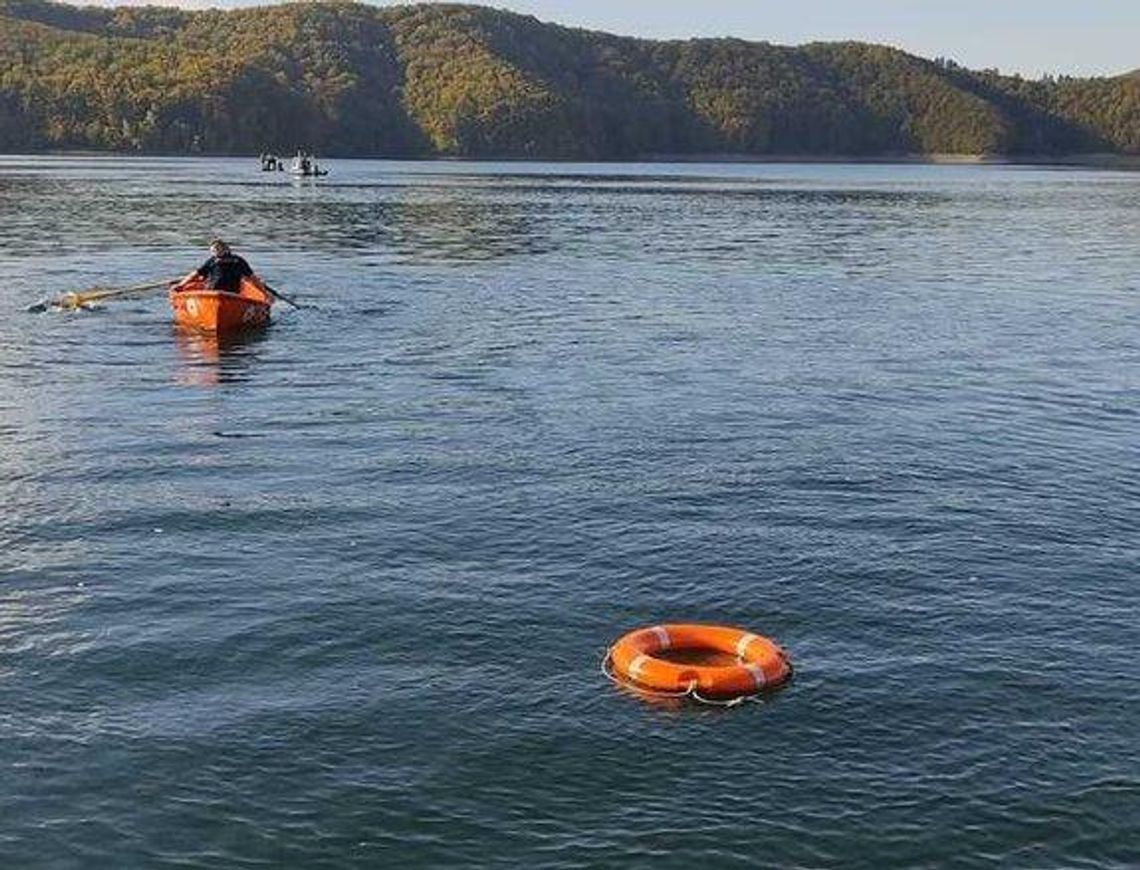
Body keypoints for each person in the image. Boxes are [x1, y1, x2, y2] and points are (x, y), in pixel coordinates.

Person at [172, 240, 254, 295]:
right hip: (213, 292)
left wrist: (264, 292)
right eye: (213, 251)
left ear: (226, 249)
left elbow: (252, 277)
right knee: (201, 280)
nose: (215, 253)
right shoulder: (212, 261)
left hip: (231, 294)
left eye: (218, 250)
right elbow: (196, 273)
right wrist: (181, 285)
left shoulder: (238, 261)